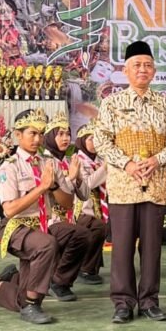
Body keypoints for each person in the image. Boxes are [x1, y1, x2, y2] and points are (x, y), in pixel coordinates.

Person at [94, 40, 166, 324]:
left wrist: (158, 160)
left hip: (155, 185)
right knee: (121, 247)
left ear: (154, 70)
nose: (143, 70)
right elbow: (101, 141)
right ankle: (123, 302)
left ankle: (149, 301)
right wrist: (128, 164)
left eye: (147, 65)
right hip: (123, 186)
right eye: (137, 65)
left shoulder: (165, 104)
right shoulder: (112, 103)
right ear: (126, 70)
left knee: (151, 247)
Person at [0, 108, 90, 324]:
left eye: (40, 134)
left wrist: (53, 186)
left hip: (42, 224)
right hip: (15, 226)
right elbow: (9, 210)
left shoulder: (49, 163)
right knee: (46, 244)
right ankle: (31, 304)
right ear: (18, 135)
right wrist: (41, 188)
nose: (37, 139)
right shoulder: (11, 166)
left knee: (77, 236)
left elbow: (68, 203)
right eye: (31, 134)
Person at [41, 111, 103, 291]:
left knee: (95, 228)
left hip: (68, 216)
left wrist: (76, 179)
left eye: (68, 134)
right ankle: (59, 281)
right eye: (60, 134)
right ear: (50, 137)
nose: (65, 138)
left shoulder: (69, 161)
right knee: (81, 233)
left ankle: (70, 276)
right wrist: (71, 178)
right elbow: (54, 196)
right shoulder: (44, 161)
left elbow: (83, 194)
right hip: (49, 218)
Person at [72, 120, 109, 284]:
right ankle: (84, 268)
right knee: (95, 228)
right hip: (81, 208)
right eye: (90, 138)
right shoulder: (78, 160)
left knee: (100, 228)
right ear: (81, 141)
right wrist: (106, 168)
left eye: (97, 137)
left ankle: (92, 267)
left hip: (97, 207)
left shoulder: (99, 159)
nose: (94, 142)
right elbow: (87, 185)